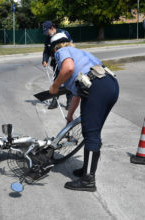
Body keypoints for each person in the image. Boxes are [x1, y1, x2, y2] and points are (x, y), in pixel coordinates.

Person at [48, 33, 119, 192]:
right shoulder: (80, 53)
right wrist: (69, 115)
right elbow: (78, 92)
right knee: (93, 130)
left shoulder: (61, 51)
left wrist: (55, 85)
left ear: (54, 48)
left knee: (91, 133)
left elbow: (68, 68)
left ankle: (88, 180)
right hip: (110, 85)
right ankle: (87, 170)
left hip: (97, 87)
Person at [42, 21, 73, 110]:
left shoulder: (64, 34)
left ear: (52, 28)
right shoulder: (48, 38)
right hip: (56, 63)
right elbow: (46, 50)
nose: (47, 33)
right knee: (56, 81)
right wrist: (45, 60)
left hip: (65, 61)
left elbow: (70, 48)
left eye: (47, 31)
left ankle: (69, 102)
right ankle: (55, 100)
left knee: (68, 80)